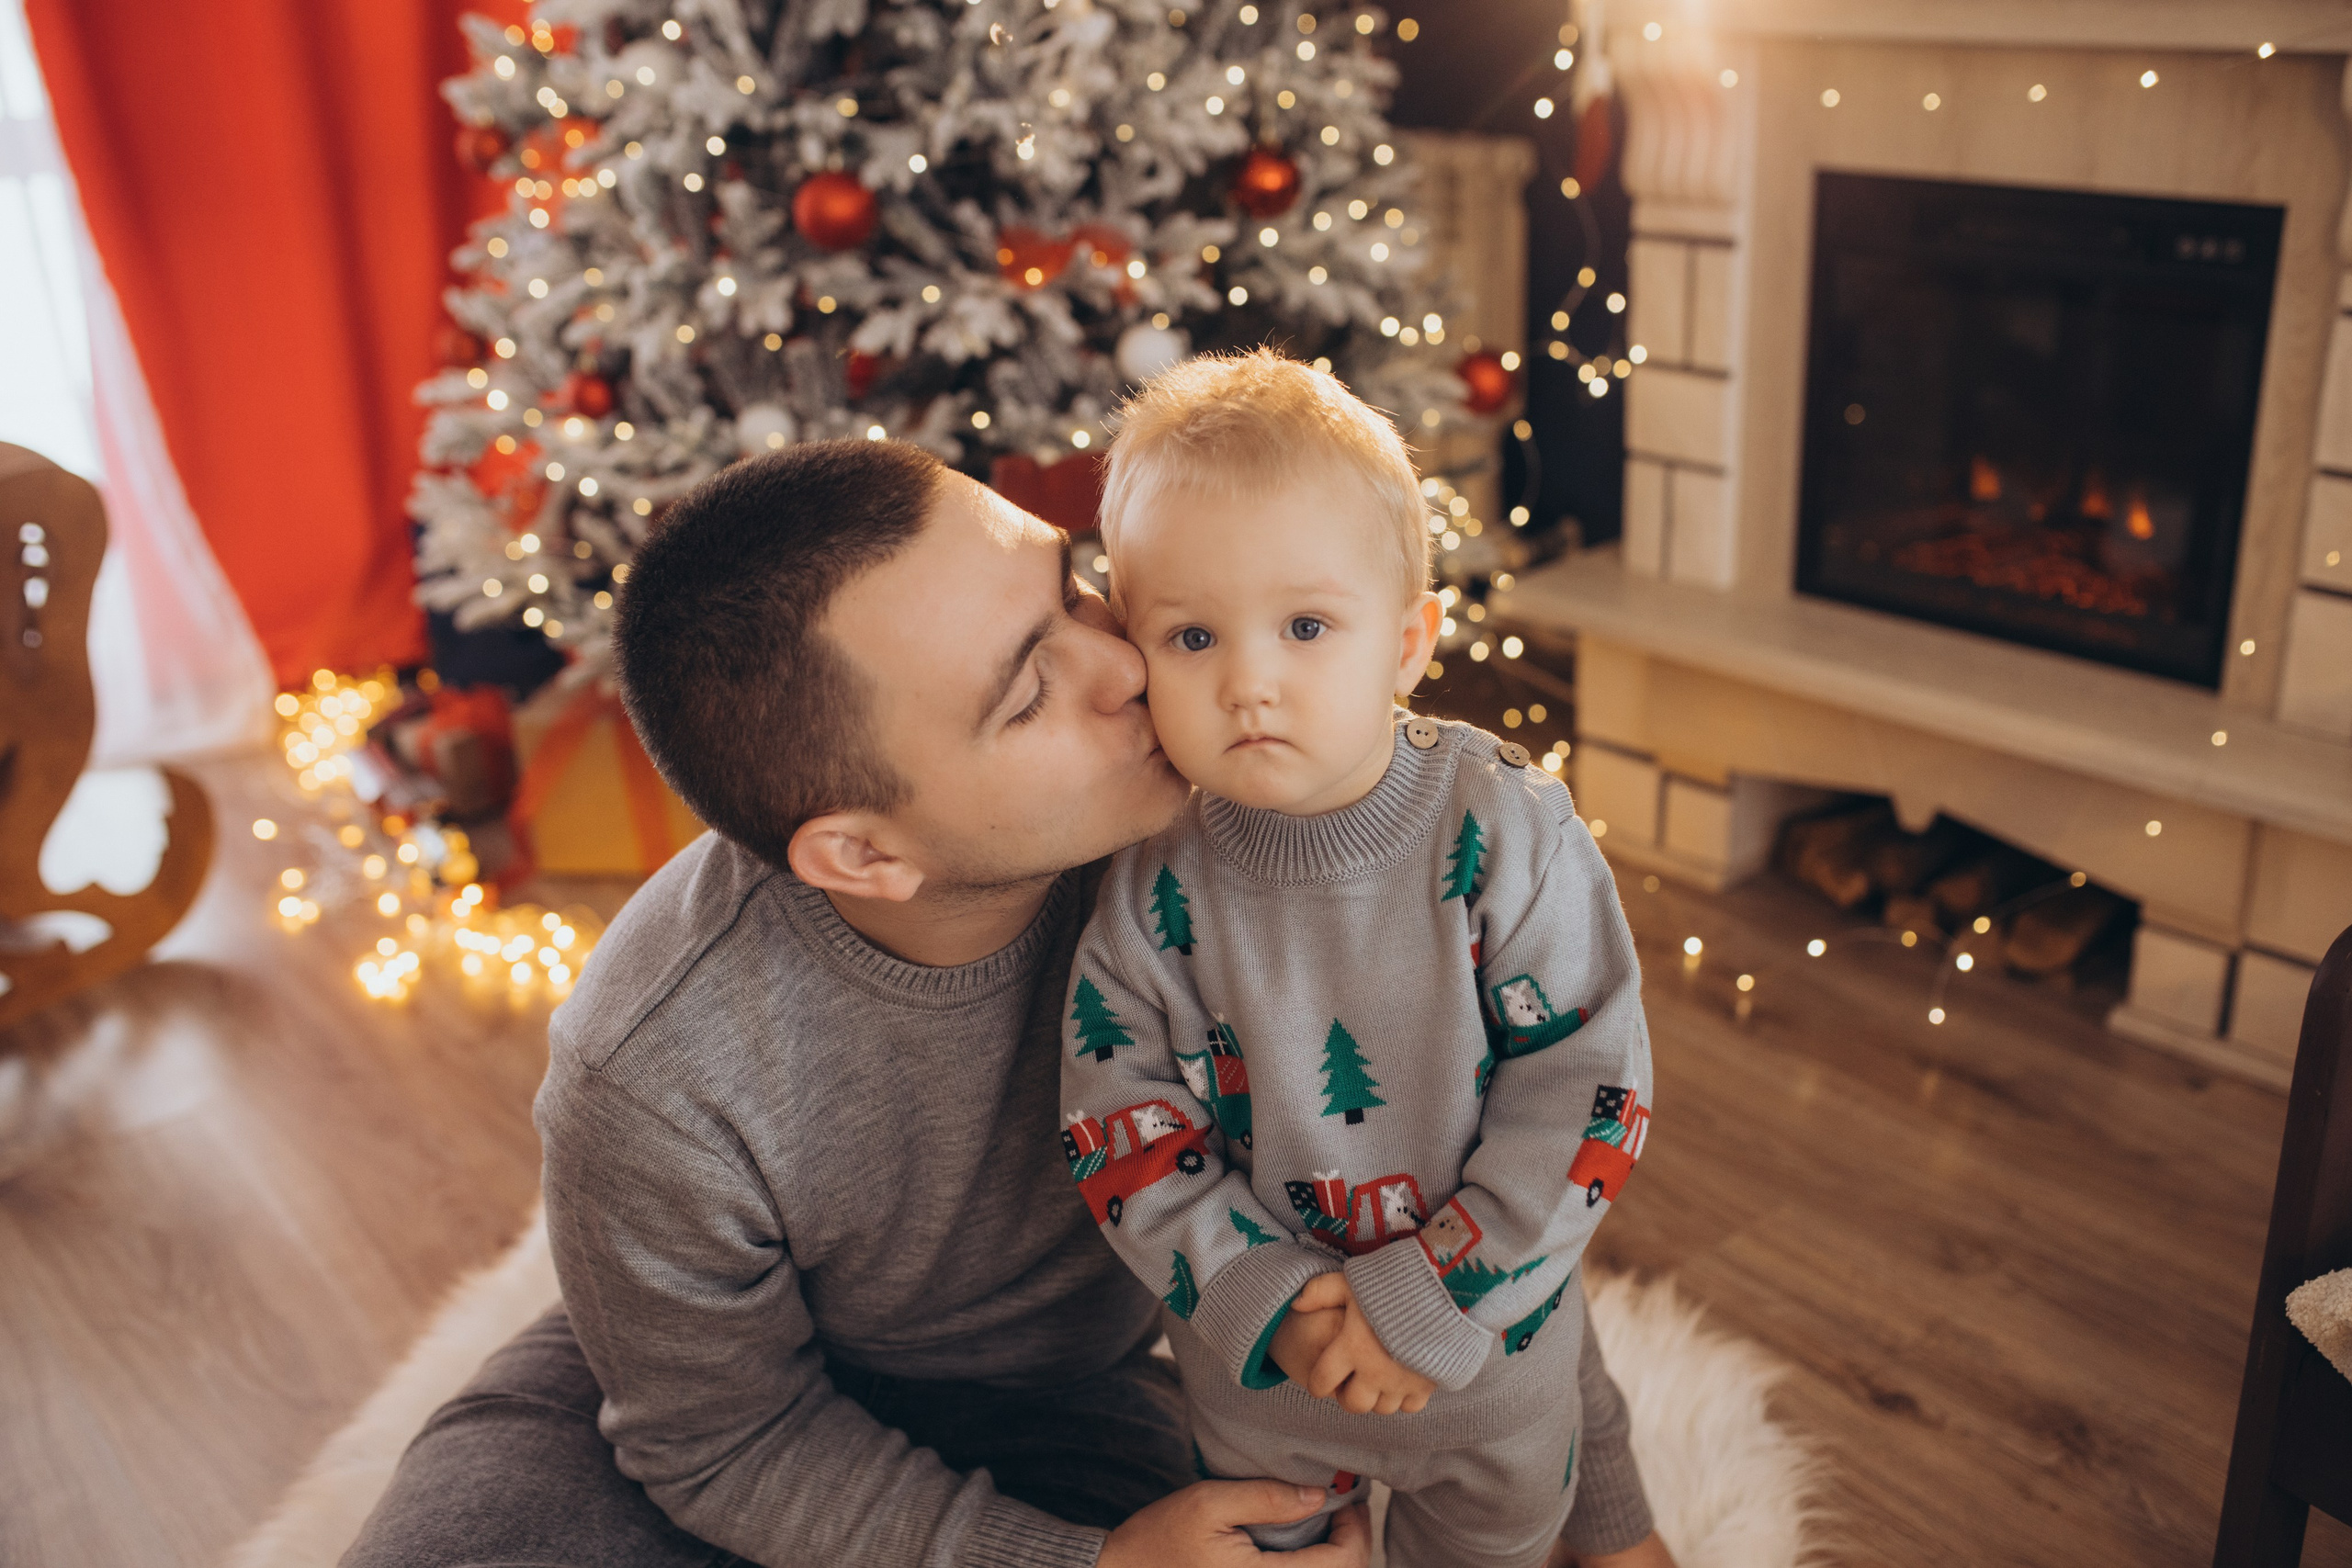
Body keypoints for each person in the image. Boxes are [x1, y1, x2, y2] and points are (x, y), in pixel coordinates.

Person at [343, 437, 1666, 1568]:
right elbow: (716, 1433)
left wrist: (1603, 1516)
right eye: (1031, 692)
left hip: (1075, 1401)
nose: (1133, 669)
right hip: (709, 1411)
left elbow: (1477, 1135)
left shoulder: (1231, 837)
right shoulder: (654, 1068)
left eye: (1075, 589)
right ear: (864, 853)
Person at [1057, 352, 1662, 1568]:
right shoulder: (1146, 876)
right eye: (1190, 635)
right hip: (1264, 1383)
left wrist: (1428, 1298)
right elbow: (1121, 1117)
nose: (1249, 683)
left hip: (1487, 1361)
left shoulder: (1510, 831)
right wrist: (1263, 1298)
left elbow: (1586, 1091)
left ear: (1407, 643)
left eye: (1307, 626)